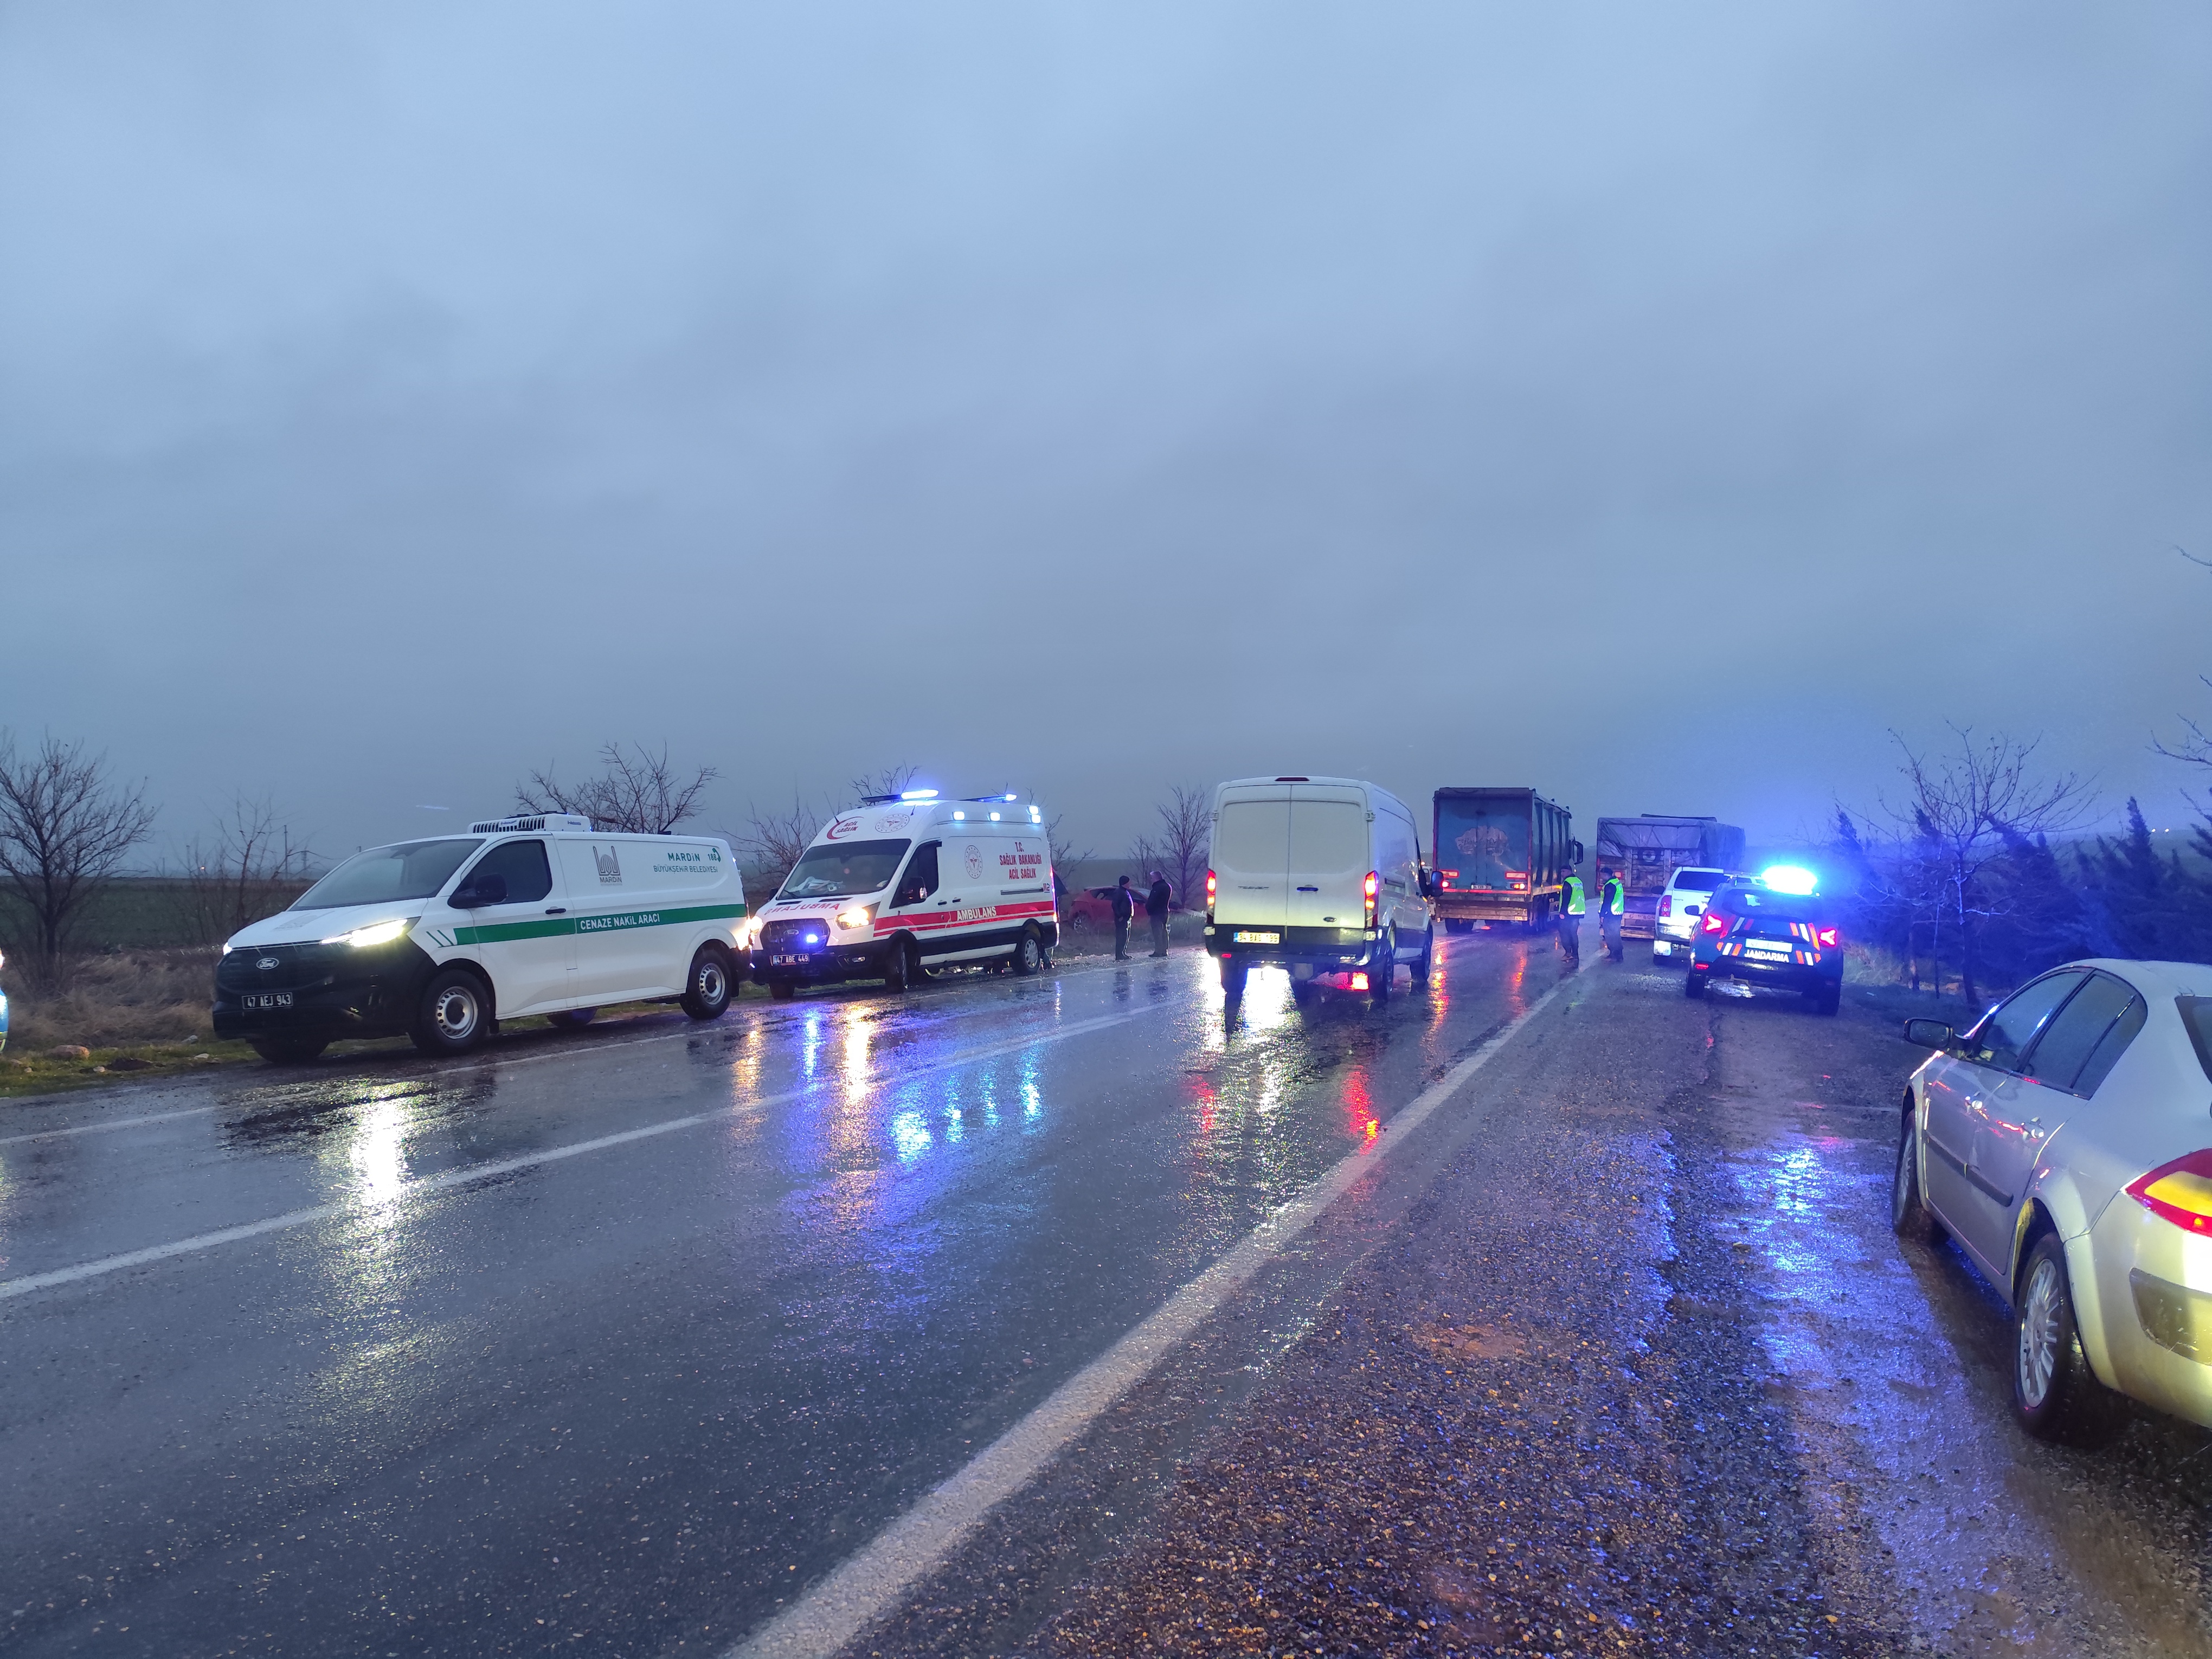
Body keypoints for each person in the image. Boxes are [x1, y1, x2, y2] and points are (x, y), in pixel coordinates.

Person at [1557, 869, 1585, 967]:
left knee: (1564, 932)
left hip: (1568, 913)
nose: (1562, 873)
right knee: (1573, 934)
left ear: (1569, 871)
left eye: (1564, 871)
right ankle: (1575, 954)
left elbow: (1566, 898)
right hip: (1577, 912)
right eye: (1561, 872)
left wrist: (1562, 913)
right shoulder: (1578, 881)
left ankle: (1568, 953)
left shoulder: (1568, 882)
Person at [1599, 867, 1626, 962]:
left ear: (1606, 874)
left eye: (1602, 874)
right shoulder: (1616, 882)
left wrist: (1602, 915)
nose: (1601, 876)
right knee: (1615, 934)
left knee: (1610, 935)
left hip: (1610, 914)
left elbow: (1607, 901)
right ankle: (1618, 955)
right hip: (1617, 913)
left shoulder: (1610, 885)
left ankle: (1614, 955)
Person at [1146, 870, 1173, 957]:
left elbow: (1153, 900)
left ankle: (1159, 951)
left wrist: (1148, 908)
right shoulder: (1167, 886)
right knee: (1164, 931)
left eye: (1152, 878)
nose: (1151, 880)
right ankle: (1165, 950)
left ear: (1156, 878)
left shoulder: (1157, 888)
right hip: (1165, 911)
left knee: (1157, 932)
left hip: (1156, 913)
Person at [1110, 874, 1136, 960]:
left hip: (1127, 918)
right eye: (1129, 882)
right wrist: (1119, 915)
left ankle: (1123, 952)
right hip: (1122, 918)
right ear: (1125, 883)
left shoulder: (1125, 891)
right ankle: (1119, 954)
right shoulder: (1119, 892)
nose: (1130, 884)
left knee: (1126, 936)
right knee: (1121, 936)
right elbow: (1115, 905)